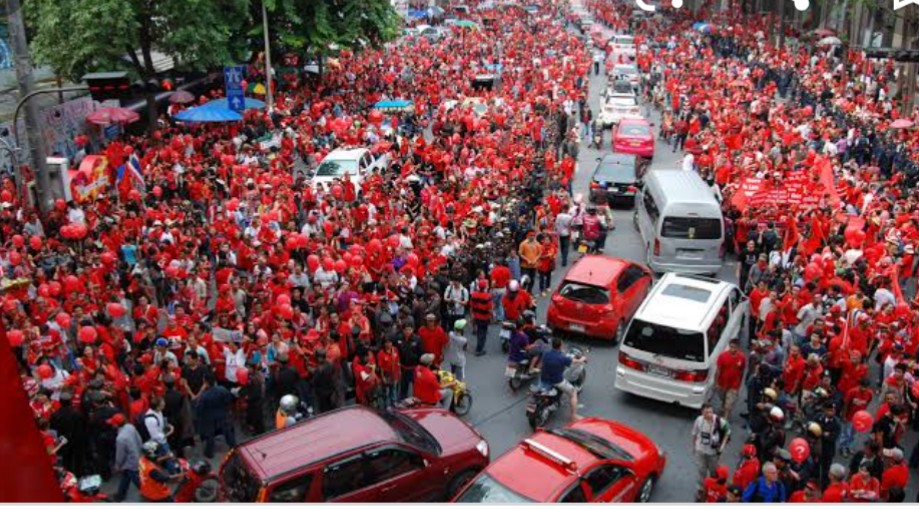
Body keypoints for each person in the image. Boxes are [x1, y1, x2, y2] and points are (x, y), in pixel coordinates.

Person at [539, 337, 586, 422]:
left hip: (544, 378)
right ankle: (574, 416)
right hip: (557, 381)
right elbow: (574, 361)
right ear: (560, 346)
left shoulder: (546, 353)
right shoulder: (562, 358)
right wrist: (582, 359)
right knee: (573, 393)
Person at [692, 404, 731, 491]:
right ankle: (702, 488)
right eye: (707, 412)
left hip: (713, 452)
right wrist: (694, 446)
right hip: (700, 450)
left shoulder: (719, 421)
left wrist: (722, 446)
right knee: (701, 470)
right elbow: (694, 433)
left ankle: (713, 487)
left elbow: (728, 432)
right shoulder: (698, 420)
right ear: (702, 412)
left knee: (714, 471)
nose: (709, 414)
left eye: (711, 412)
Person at [195, 375, 236, 458]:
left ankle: (209, 453)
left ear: (206, 383)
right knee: (227, 431)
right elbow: (229, 399)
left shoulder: (205, 395)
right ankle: (234, 447)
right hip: (222, 413)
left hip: (209, 417)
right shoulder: (222, 389)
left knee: (210, 435)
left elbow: (199, 408)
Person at [111, 413, 142, 502]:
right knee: (126, 477)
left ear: (116, 425)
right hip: (136, 457)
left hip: (130, 463)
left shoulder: (120, 438)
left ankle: (149, 493)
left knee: (137, 480)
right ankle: (121, 494)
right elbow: (139, 440)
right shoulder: (130, 426)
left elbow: (120, 455)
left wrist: (117, 465)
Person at [714, 338, 746, 419]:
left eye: (734, 347)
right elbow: (718, 370)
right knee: (723, 398)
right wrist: (716, 383)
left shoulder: (742, 357)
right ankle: (723, 406)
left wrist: (739, 384)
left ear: (738, 347)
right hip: (722, 383)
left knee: (728, 405)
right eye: (731, 347)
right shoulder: (722, 356)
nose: (732, 349)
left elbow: (741, 371)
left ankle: (725, 420)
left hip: (734, 385)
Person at [469, 279, 493, 356]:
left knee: (479, 331)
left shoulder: (474, 294)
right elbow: (489, 308)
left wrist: (472, 316)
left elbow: (471, 306)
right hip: (484, 317)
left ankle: (479, 347)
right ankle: (479, 349)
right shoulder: (487, 296)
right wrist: (492, 316)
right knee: (483, 333)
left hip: (476, 316)